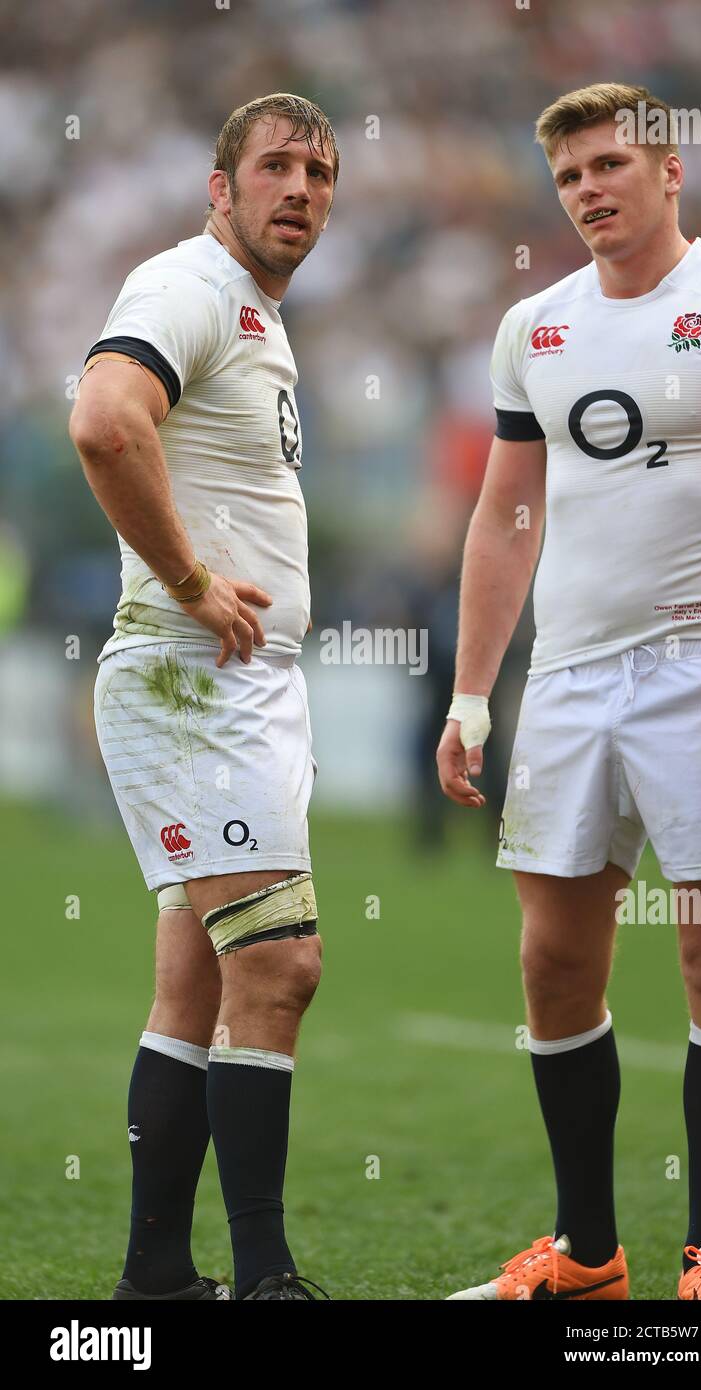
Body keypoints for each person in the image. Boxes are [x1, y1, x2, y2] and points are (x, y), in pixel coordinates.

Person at [437, 82, 701, 1301]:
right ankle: (584, 1254)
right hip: (568, 672)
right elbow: (506, 510)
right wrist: (471, 696)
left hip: (698, 669)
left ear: (669, 173)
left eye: (610, 165)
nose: (588, 192)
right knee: (553, 965)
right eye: (569, 177)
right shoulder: (535, 325)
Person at [69, 93, 338, 1302]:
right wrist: (187, 580)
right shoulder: (185, 284)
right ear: (216, 189)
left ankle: (157, 1282)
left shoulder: (259, 317)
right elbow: (104, 424)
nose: (301, 189)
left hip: (240, 683)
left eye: (321, 173)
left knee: (201, 979)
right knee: (280, 967)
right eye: (275, 166)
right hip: (193, 678)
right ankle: (266, 1280)